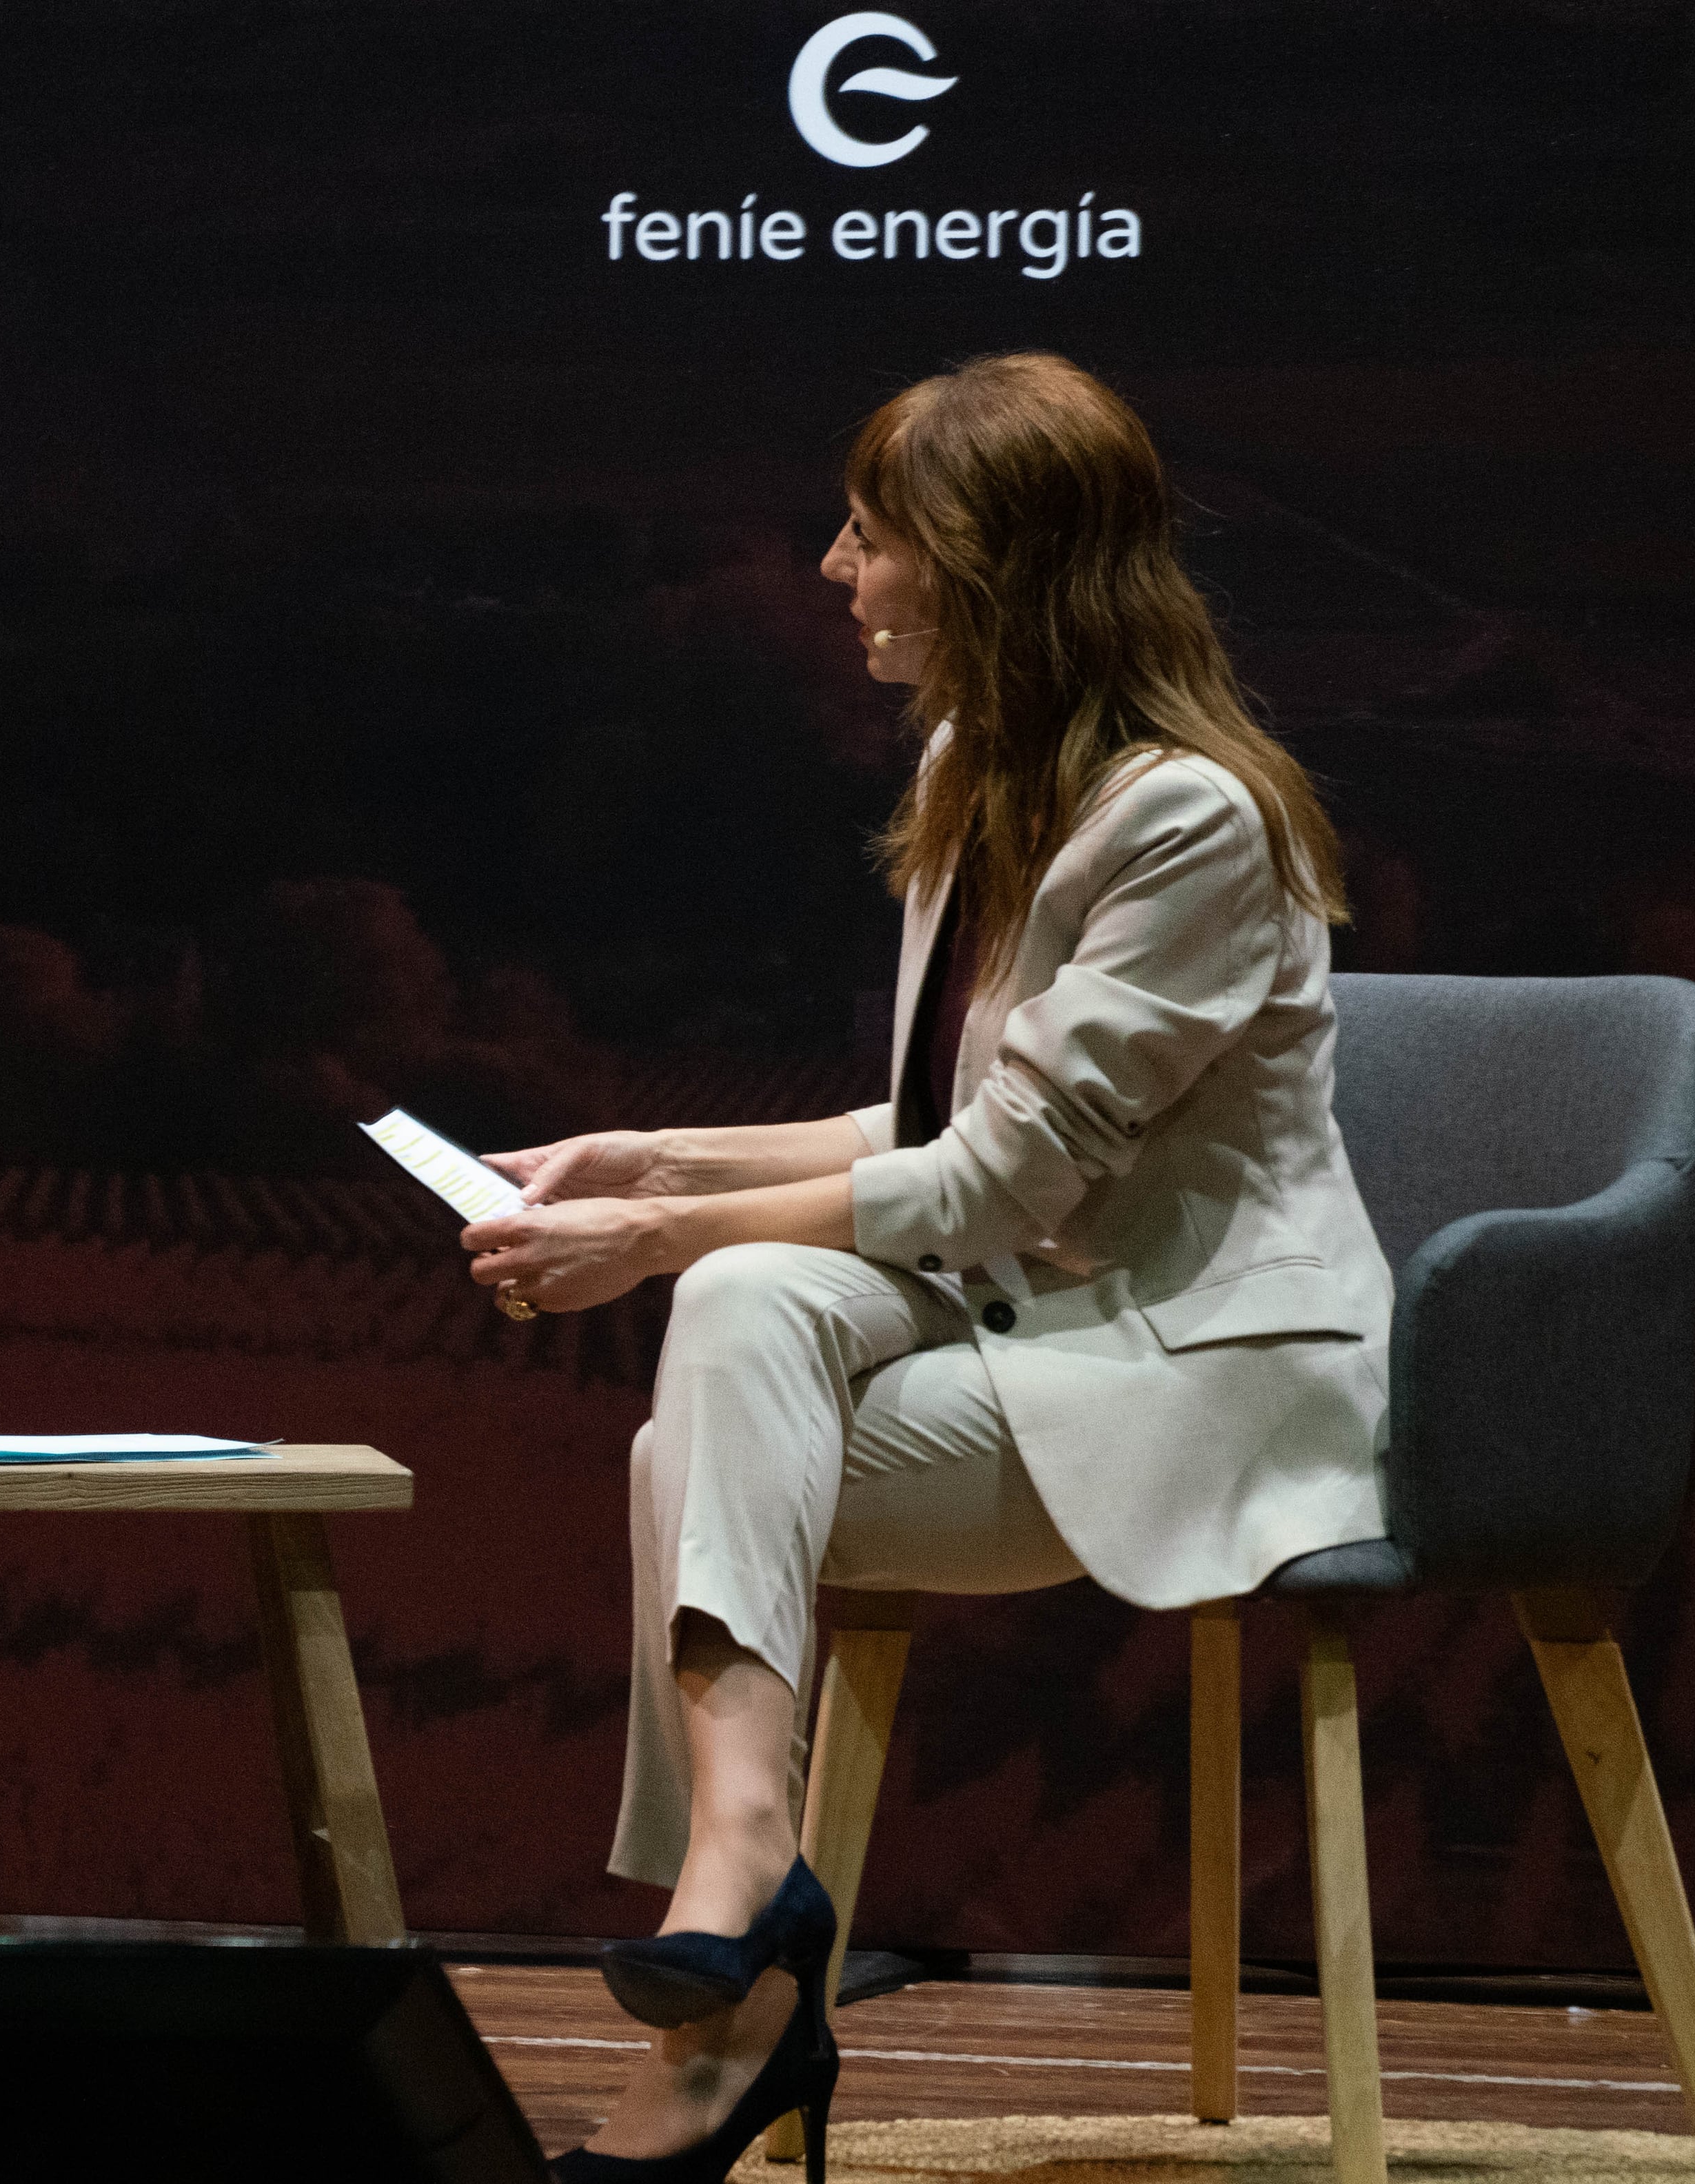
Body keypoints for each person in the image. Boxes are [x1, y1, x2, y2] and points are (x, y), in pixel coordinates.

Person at [465, 352, 1388, 2182]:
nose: (830, 569)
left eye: (870, 535)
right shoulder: (981, 768)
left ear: (987, 564)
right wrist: (646, 1158)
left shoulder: (1194, 820)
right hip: (1019, 1302)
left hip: (1185, 1366)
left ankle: (744, 1974)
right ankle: (746, 1866)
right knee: (737, 1311)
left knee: (685, 1437)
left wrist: (646, 1234)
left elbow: (993, 1177)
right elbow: (923, 1124)